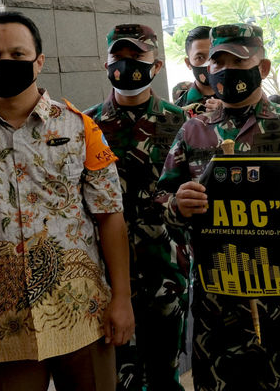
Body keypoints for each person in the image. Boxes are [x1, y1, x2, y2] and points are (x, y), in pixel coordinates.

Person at [0, 11, 134, 390]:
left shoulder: (81, 129)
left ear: (38, 62)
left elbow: (110, 217)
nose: (4, 63)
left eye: (18, 55)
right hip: (0, 329)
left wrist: (122, 298)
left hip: (83, 318)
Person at [158, 24, 280, 391]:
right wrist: (178, 205)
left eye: (237, 60)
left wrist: (259, 183)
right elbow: (164, 200)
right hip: (215, 296)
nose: (224, 70)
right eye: (217, 62)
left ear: (263, 67)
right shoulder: (194, 131)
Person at [85, 25, 189, 391]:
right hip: (106, 276)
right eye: (118, 58)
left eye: (137, 58)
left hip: (166, 269)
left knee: (164, 374)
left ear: (156, 65)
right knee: (117, 377)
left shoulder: (182, 124)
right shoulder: (87, 125)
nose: (126, 66)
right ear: (106, 63)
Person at [172, 26, 218, 115]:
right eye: (200, 58)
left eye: (213, 56)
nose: (208, 63)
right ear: (188, 63)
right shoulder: (180, 109)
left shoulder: (240, 100)